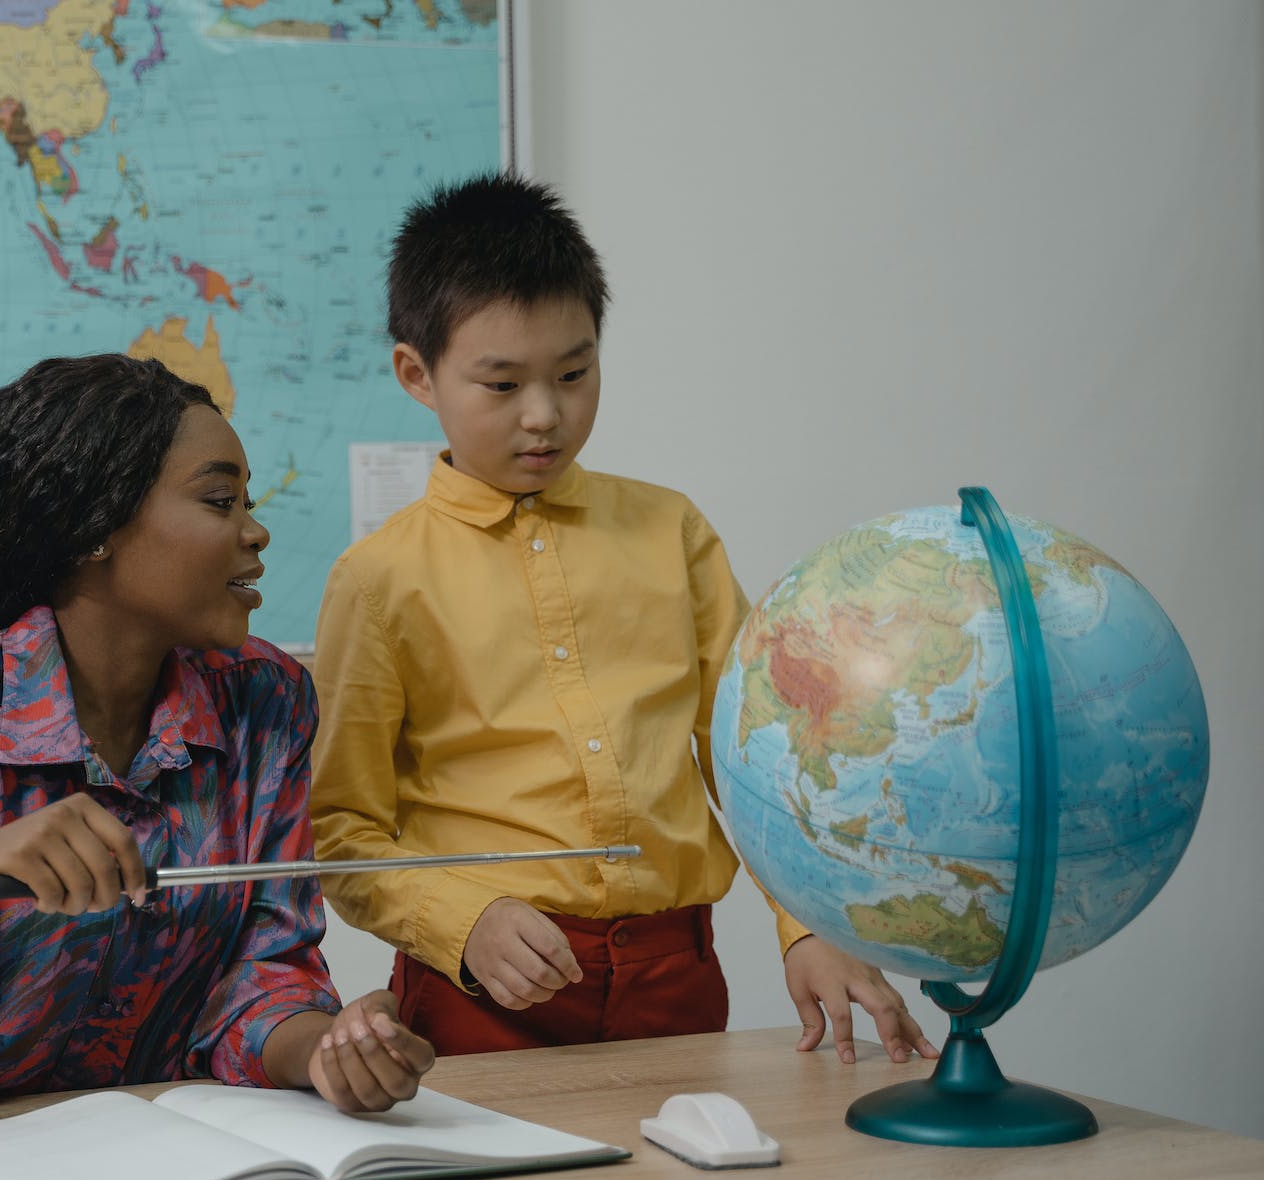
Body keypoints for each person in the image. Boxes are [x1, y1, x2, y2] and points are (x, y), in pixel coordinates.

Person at [310, 173, 937, 1066]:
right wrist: (462, 922)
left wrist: (806, 924)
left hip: (675, 970)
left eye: (575, 372)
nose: (546, 414)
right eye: (502, 383)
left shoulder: (668, 529)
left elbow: (753, 754)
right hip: (483, 984)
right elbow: (343, 833)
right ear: (418, 373)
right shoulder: (377, 580)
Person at [0, 354, 434, 1132]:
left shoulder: (265, 700)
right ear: (94, 528)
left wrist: (329, 1049)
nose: (256, 530)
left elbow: (261, 978)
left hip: (170, 1166)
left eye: (247, 500)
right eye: (219, 500)